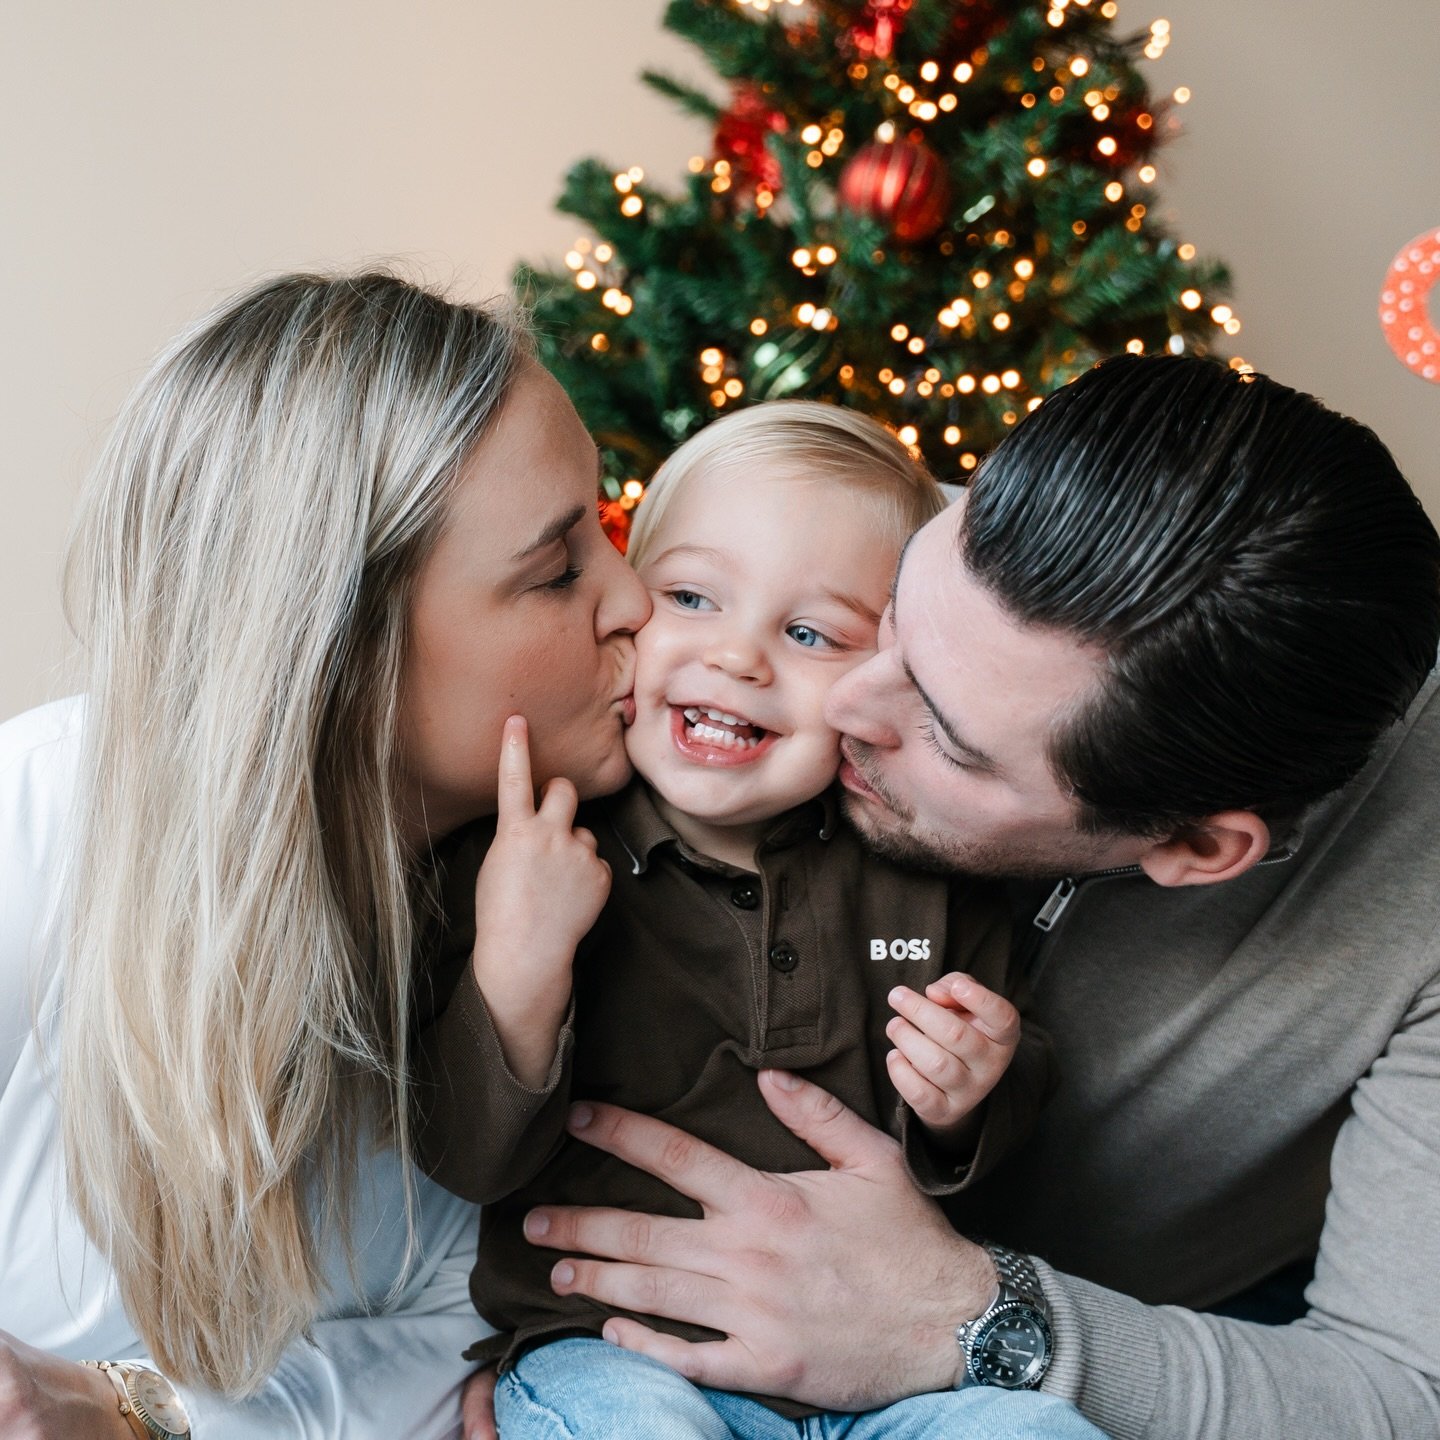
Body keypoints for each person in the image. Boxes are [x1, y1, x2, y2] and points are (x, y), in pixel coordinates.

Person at [512, 356, 1440, 1438]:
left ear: (1191, 847)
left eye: (945, 734)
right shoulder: (875, 565)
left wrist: (973, 1316)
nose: (843, 701)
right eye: (896, 608)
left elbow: (1405, 1392)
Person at [0, 270, 651, 1438]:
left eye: (612, 532)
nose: (639, 599)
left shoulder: (589, 893)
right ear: (340, 655)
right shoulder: (31, 828)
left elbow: (484, 1328)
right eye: (559, 570)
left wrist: (144, 1413)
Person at [413, 403, 1105, 1437]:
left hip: (879, 1384)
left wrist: (967, 1095)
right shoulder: (528, 852)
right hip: (612, 1352)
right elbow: (464, 1158)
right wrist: (520, 963)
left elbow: (975, 1149)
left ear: (887, 680)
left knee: (1042, 1432)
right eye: (691, 596)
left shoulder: (917, 875)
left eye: (810, 632)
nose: (738, 658)